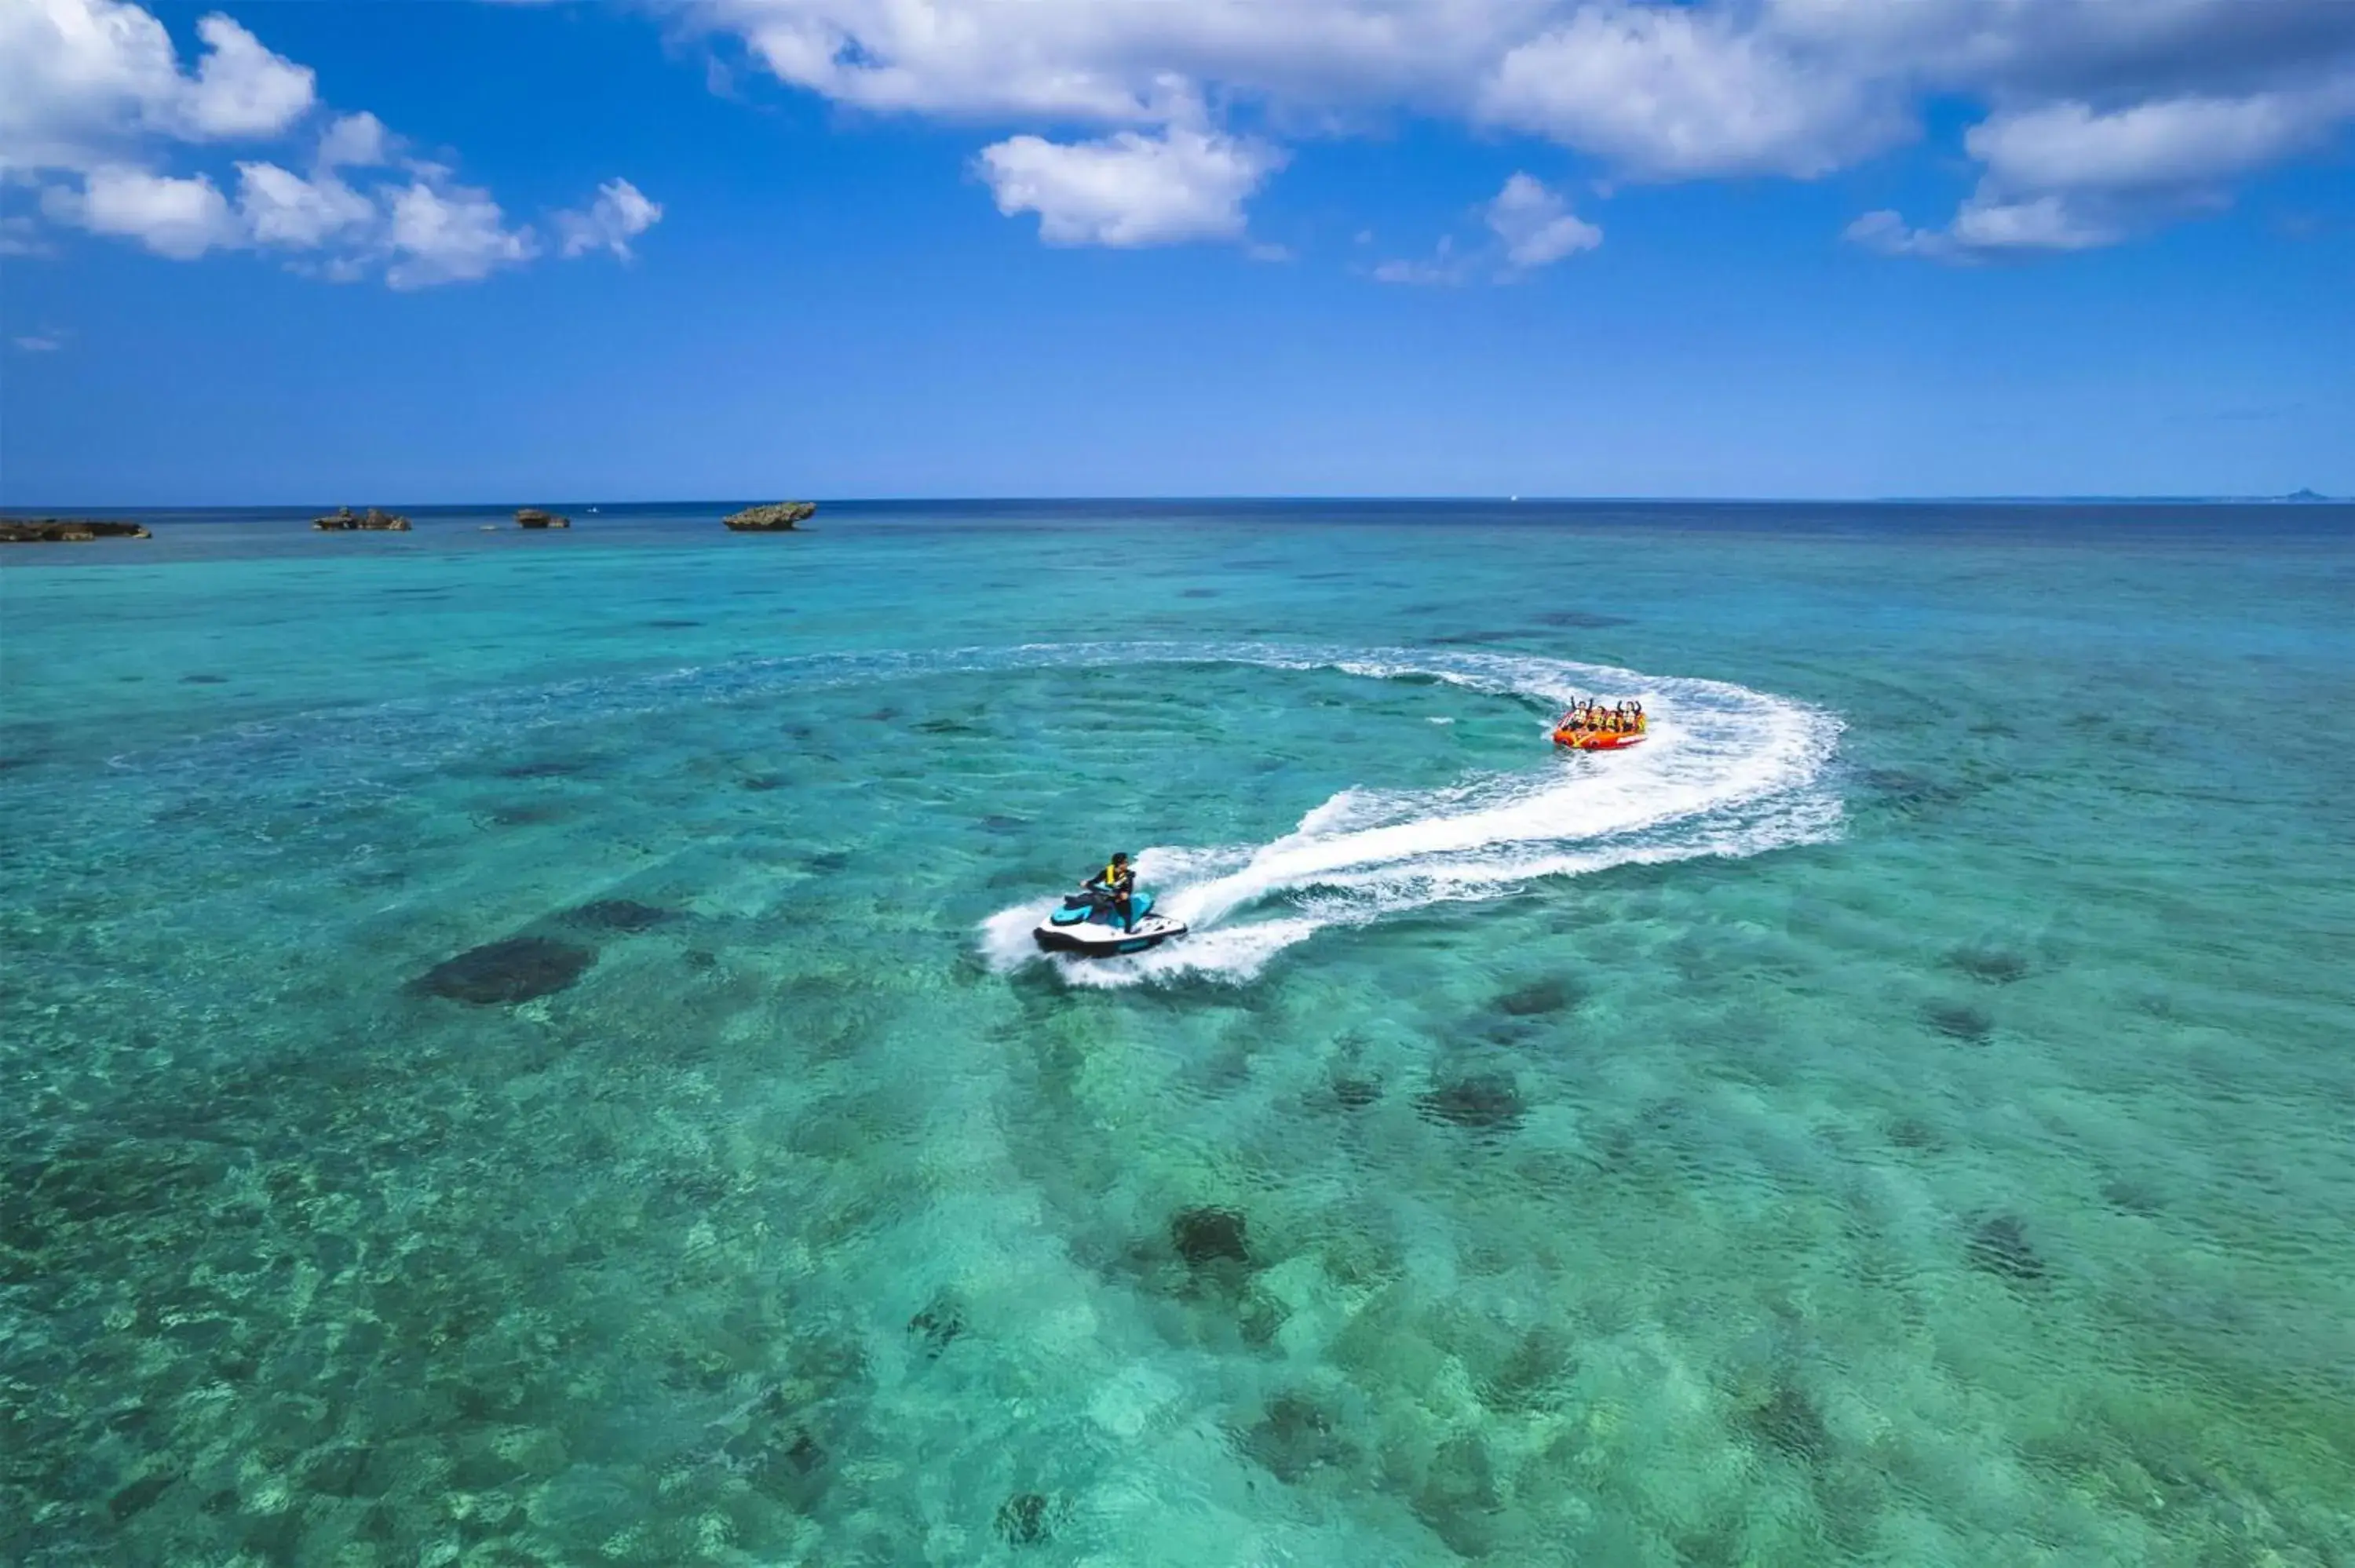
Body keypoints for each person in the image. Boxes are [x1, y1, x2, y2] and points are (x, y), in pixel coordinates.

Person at [1086, 851, 1137, 930]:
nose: (1128, 864)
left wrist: (1126, 894)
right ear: (1120, 864)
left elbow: (1129, 889)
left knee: (1127, 913)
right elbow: (1095, 881)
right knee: (1094, 899)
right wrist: (1087, 883)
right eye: (1126, 862)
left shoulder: (1128, 875)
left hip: (1119, 897)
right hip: (1108, 894)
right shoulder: (1107, 871)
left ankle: (1128, 930)